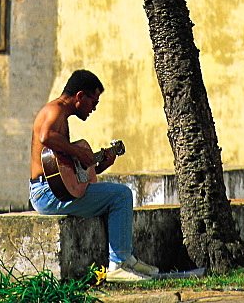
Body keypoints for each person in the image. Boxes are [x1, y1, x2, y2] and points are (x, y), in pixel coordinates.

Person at [29, 68, 159, 283]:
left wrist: (98, 167)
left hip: (53, 190)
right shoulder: (55, 110)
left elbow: (68, 175)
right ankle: (119, 263)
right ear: (80, 96)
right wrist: (78, 151)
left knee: (112, 194)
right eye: (93, 101)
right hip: (47, 194)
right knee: (121, 195)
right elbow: (46, 136)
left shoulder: (61, 114)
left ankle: (128, 259)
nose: (94, 108)